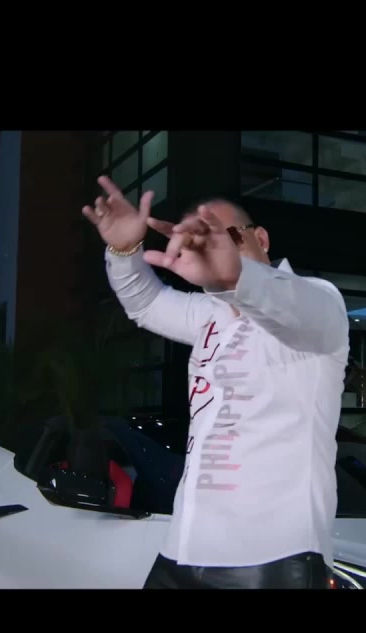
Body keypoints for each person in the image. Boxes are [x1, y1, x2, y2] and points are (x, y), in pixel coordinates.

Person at [81, 176, 350, 589]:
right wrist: (124, 251)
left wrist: (237, 275)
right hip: (181, 553)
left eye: (222, 237)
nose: (212, 249)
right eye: (198, 242)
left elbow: (297, 305)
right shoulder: (210, 316)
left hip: (271, 565)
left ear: (260, 238)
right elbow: (146, 303)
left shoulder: (317, 302)